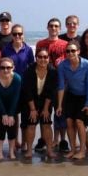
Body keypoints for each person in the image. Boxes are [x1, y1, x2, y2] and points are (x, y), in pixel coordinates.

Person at [56, 41, 88, 159]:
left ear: (78, 51)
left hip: (84, 96)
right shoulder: (62, 65)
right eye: (68, 51)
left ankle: (82, 150)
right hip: (71, 95)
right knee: (69, 122)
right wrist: (60, 105)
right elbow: (61, 86)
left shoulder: (87, 65)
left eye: (73, 50)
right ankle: (73, 149)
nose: (70, 53)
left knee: (79, 121)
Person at [35, 18, 69, 152]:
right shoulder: (40, 43)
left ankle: (62, 140)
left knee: (61, 112)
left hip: (62, 83)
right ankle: (44, 139)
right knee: (45, 113)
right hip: (44, 83)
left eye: (56, 26)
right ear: (47, 27)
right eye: (51, 26)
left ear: (60, 29)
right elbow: (37, 62)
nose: (53, 28)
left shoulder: (65, 44)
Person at [20, 48, 58, 159]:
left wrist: (46, 109)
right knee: (31, 124)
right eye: (40, 57)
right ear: (36, 58)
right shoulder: (29, 71)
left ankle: (50, 150)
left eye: (45, 57)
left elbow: (51, 92)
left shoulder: (52, 71)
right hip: (30, 101)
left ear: (48, 59)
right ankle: (29, 150)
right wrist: (32, 109)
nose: (42, 59)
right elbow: (27, 91)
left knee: (46, 123)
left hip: (45, 100)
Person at [0, 58, 22, 160]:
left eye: (8, 67)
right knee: (1, 126)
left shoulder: (17, 78)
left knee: (11, 125)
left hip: (12, 105)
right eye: (3, 67)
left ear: (13, 68)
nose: (5, 70)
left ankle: (11, 151)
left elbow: (16, 97)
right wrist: (4, 114)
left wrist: (11, 114)